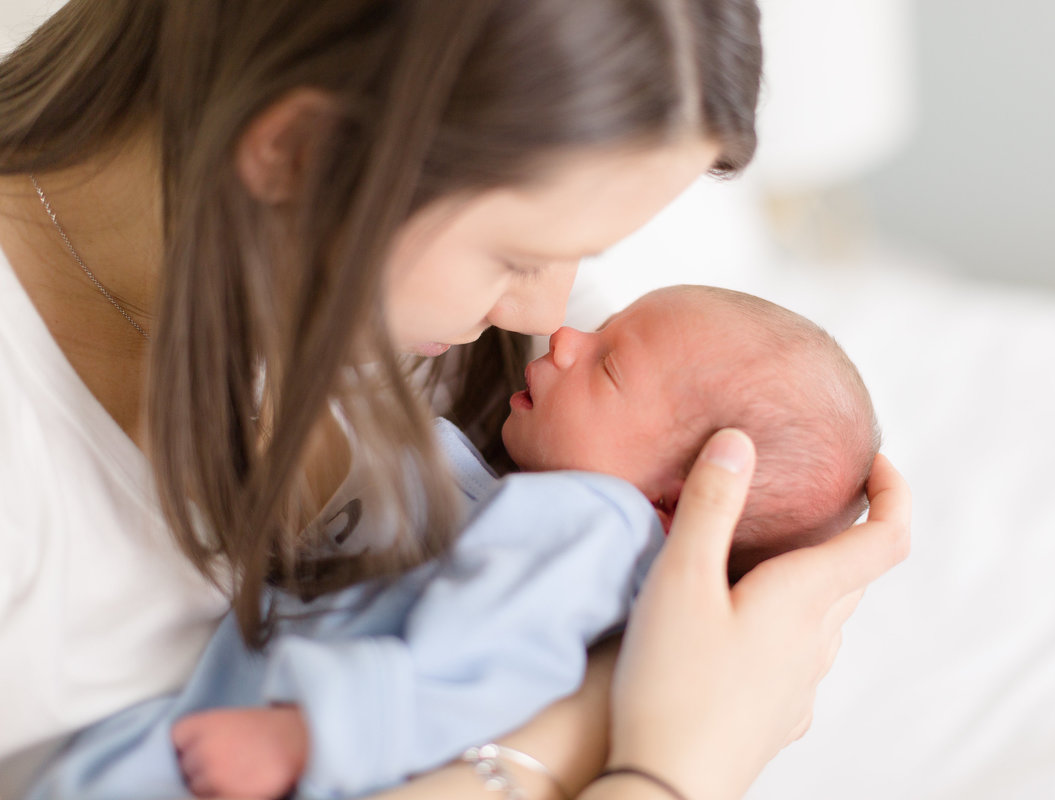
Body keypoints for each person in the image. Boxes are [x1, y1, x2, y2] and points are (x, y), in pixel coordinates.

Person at [0, 2, 911, 799]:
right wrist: (667, 761)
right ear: (298, 153)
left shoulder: (498, 368)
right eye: (517, 257)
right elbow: (675, 680)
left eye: (586, 255)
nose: (550, 318)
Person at [26, 284, 880, 799]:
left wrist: (310, 733)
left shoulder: (591, 529)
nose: (565, 334)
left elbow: (483, 665)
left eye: (611, 365)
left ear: (671, 503)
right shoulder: (536, 505)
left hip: (303, 749)